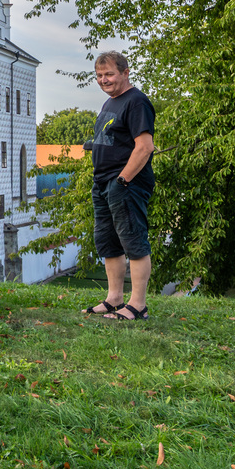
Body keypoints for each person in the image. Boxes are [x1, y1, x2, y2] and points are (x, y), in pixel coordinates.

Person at [83, 51, 155, 320]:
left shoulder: (136, 102)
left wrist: (122, 180)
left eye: (109, 74)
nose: (104, 80)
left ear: (125, 72)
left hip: (125, 183)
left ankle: (138, 305)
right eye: (99, 75)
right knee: (108, 241)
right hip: (102, 182)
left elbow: (145, 147)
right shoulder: (110, 102)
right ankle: (114, 299)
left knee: (133, 241)